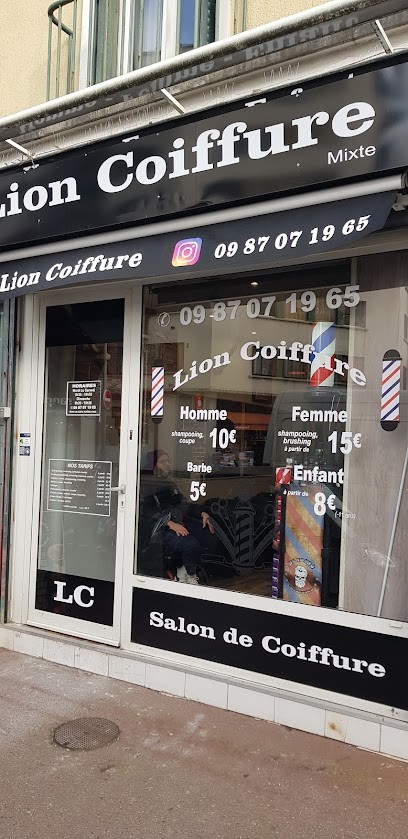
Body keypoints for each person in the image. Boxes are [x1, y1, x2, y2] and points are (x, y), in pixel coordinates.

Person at [139, 450, 215, 584]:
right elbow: (148, 512)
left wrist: (201, 512)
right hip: (160, 529)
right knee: (190, 545)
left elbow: (183, 503)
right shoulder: (146, 484)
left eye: (168, 461)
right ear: (153, 465)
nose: (167, 464)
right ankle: (189, 576)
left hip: (179, 521)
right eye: (163, 462)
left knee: (208, 537)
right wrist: (169, 523)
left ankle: (184, 569)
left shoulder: (169, 483)